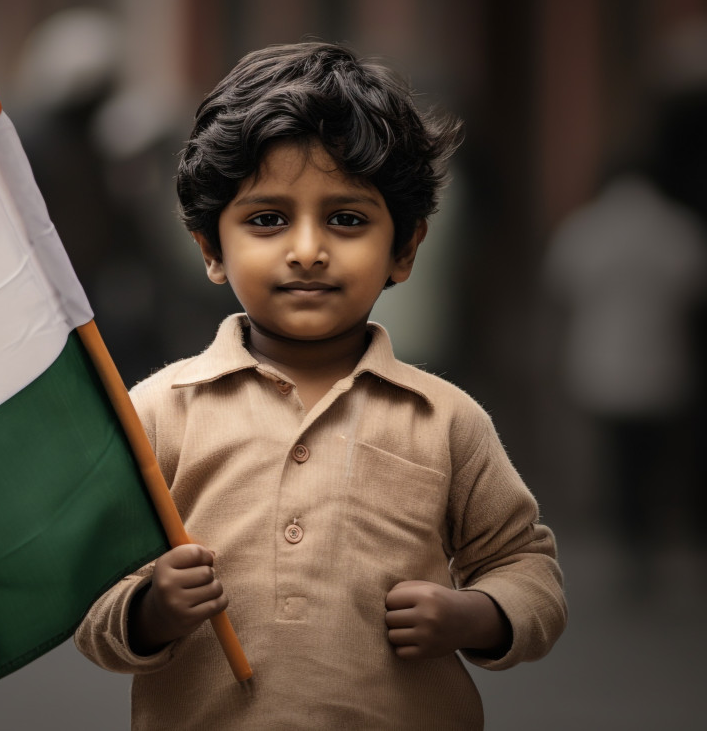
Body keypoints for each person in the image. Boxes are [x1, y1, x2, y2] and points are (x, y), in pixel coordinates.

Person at [74, 43, 567, 729]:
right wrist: (148, 608)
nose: (307, 250)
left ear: (405, 248)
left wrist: (478, 615)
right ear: (211, 248)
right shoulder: (157, 413)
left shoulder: (446, 420)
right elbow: (90, 595)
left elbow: (526, 566)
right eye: (267, 219)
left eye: (347, 219)